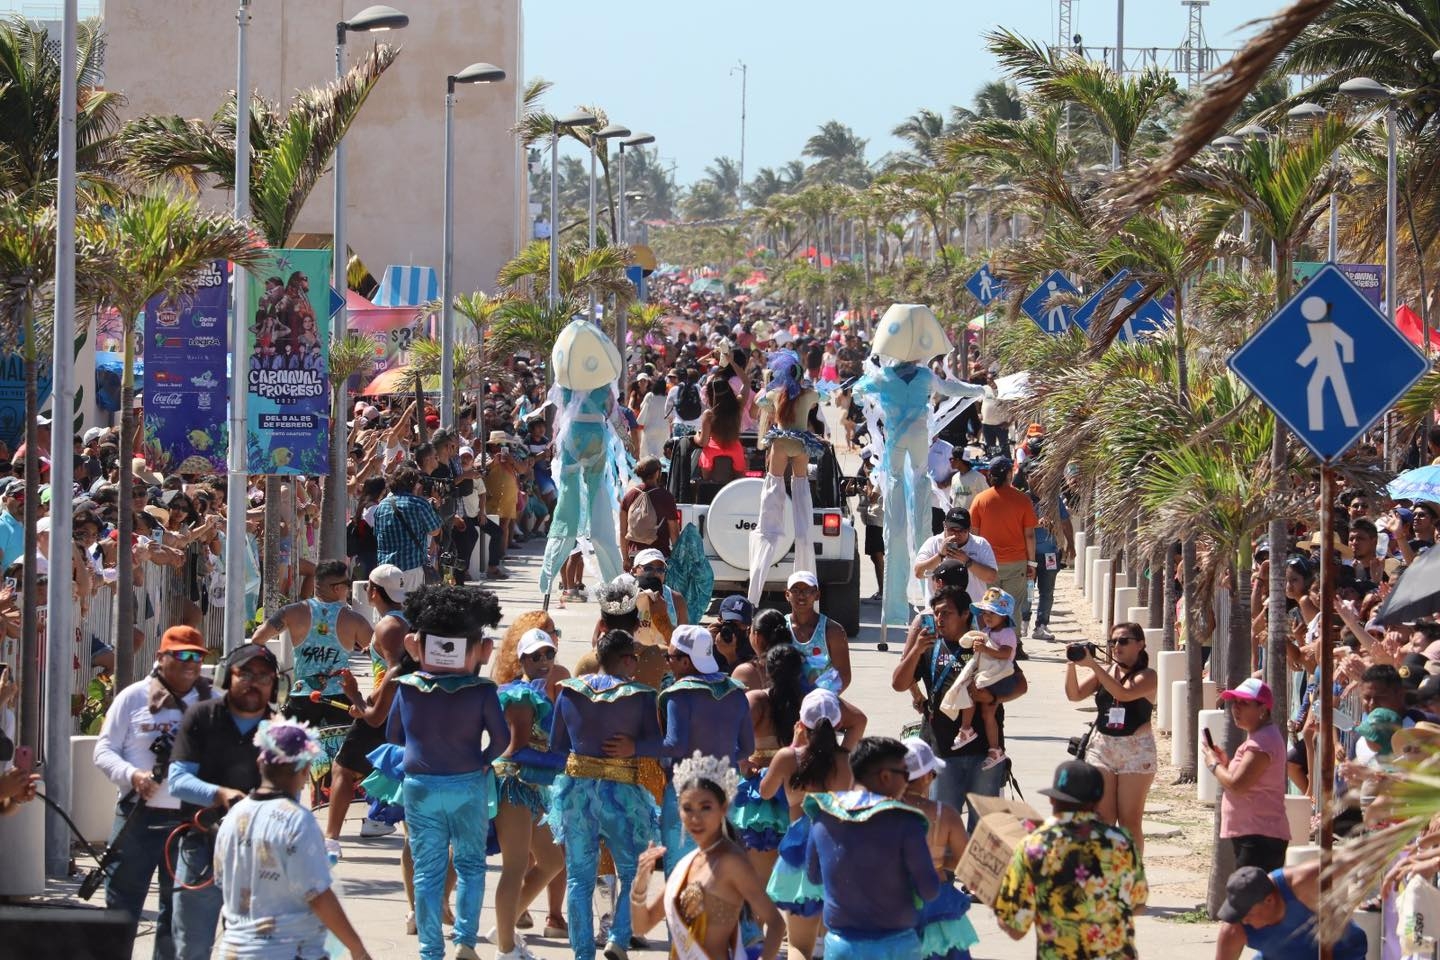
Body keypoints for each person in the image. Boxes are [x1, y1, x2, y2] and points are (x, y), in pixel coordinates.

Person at [386, 585, 509, 960]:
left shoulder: (407, 688)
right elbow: (502, 739)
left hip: (420, 786)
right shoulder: (482, 691)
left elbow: (393, 736)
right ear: (478, 650)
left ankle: (429, 951)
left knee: (427, 869)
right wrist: (483, 759)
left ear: (417, 646)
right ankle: (465, 942)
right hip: (468, 782)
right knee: (471, 865)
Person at [93, 625, 214, 960]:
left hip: (193, 824)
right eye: (182, 655)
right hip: (138, 819)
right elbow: (103, 751)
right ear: (161, 657)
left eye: (197, 656)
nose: (191, 663)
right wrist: (133, 776)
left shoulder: (215, 702)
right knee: (121, 910)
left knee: (178, 914)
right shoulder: (132, 697)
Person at [212, 718, 372, 960]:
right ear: (305, 769)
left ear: (259, 763)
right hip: (289, 951)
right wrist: (357, 949)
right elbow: (318, 896)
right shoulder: (297, 820)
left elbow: (222, 883)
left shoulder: (232, 817)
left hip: (234, 950)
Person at [547, 629, 663, 960]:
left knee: (579, 877)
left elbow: (557, 746)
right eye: (635, 659)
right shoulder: (640, 695)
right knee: (633, 872)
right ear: (627, 660)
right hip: (621, 794)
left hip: (577, 793)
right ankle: (618, 937)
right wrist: (634, 746)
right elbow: (656, 745)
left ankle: (582, 954)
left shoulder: (568, 692)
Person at [166, 643, 280, 960]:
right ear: (227, 676)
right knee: (192, 947)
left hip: (258, 854)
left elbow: (291, 800)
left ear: (274, 685)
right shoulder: (201, 716)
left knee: (250, 951)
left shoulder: (280, 731)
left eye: (263, 676)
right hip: (201, 844)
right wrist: (220, 794)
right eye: (245, 673)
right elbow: (178, 780)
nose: (254, 682)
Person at [891, 586, 1027, 830]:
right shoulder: (929, 647)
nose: (940, 619)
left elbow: (1021, 685)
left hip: (985, 753)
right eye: (937, 614)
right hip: (942, 752)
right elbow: (898, 684)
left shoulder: (984, 642)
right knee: (942, 829)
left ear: (965, 614)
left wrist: (993, 698)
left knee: (983, 831)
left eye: (947, 613)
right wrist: (915, 650)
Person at [629, 753, 785, 960]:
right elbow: (642, 925)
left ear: (723, 809)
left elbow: (776, 924)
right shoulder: (685, 865)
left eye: (705, 807)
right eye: (687, 809)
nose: (695, 818)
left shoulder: (731, 862)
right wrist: (640, 886)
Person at [994, 760, 1148, 959]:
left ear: (1052, 800)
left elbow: (1015, 929)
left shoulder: (1033, 847)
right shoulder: (1121, 843)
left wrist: (996, 896)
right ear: (1098, 801)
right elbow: (1137, 904)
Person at [805, 737, 941, 960]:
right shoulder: (905, 822)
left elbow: (813, 876)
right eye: (905, 774)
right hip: (896, 948)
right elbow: (929, 890)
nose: (907, 782)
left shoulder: (823, 813)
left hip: (841, 947)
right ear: (885, 776)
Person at [762, 688, 861, 960]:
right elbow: (860, 720)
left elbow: (765, 791)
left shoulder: (788, 758)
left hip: (801, 852)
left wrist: (793, 745)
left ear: (802, 723)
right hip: (840, 851)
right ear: (838, 724)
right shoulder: (849, 760)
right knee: (832, 944)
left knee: (798, 946)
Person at [321, 563, 411, 857]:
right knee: (387, 771)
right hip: (390, 707)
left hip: (388, 710)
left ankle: (330, 840)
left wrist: (368, 702)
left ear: (373, 591)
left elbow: (396, 670)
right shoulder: (397, 622)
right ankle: (376, 819)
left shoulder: (389, 626)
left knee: (344, 769)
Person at [491, 624, 568, 960]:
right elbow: (515, 749)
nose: (544, 660)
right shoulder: (522, 696)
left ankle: (503, 927)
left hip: (532, 788)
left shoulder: (540, 692)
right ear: (520, 659)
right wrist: (562, 758)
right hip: (515, 785)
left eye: (549, 653)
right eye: (535, 655)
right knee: (515, 865)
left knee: (551, 860)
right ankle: (506, 949)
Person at [659, 624, 755, 873]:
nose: (667, 663)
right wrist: (718, 762)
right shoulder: (735, 692)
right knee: (719, 870)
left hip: (686, 790)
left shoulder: (680, 695)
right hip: (726, 788)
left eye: (669, 657)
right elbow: (747, 747)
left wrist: (637, 745)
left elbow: (674, 745)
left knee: (682, 870)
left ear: (686, 662)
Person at [1064, 621, 1158, 855]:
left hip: (1135, 751)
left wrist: (1094, 666)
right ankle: (1106, 871)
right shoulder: (1106, 672)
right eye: (1113, 641)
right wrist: (1072, 663)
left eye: (1123, 641)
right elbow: (1074, 695)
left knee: (1129, 820)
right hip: (1102, 747)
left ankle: (1132, 874)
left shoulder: (1148, 675)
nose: (1117, 646)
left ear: (1140, 645)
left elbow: (1124, 694)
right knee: (1103, 818)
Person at [901, 737, 978, 960]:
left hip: (896, 901)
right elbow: (965, 862)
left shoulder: (884, 809)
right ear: (926, 777)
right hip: (937, 900)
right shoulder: (945, 815)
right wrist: (937, 859)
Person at [1205, 679, 1291, 872]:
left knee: (1250, 898)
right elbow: (1248, 779)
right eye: (1234, 702)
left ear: (1263, 709)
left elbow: (1237, 785)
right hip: (1255, 833)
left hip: (1259, 836)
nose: (1236, 708)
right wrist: (1225, 765)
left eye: (1244, 703)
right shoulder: (1260, 737)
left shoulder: (1261, 742)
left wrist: (1214, 765)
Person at [1214, 862, 1367, 960]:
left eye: (1248, 914)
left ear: (1269, 900)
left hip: (1343, 953)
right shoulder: (1234, 930)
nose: (1244, 921)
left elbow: (1355, 857)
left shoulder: (1302, 882)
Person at [943, 588, 1020, 770]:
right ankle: (989, 745)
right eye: (985, 613)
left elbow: (1005, 654)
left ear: (1004, 615)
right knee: (984, 710)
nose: (987, 617)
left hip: (1000, 677)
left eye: (992, 613)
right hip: (989, 675)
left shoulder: (1007, 633)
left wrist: (985, 650)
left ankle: (971, 732)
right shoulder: (986, 631)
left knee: (975, 694)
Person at [968, 457, 1037, 641]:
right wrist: (1032, 563)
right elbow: (1029, 535)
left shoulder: (980, 500)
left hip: (988, 564)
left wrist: (974, 563)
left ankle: (992, 641)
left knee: (990, 605)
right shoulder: (1023, 500)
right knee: (1013, 605)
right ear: (1009, 474)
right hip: (1016, 563)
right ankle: (1014, 642)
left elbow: (974, 534)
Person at [371, 465, 442, 592]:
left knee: (388, 609)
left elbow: (376, 534)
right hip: (411, 569)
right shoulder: (419, 503)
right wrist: (434, 509)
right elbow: (435, 530)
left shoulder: (381, 506)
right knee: (410, 609)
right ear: (413, 484)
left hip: (385, 568)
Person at [913, 507, 998, 606]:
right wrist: (940, 555)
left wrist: (967, 561)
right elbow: (918, 573)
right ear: (944, 525)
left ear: (969, 528)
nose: (956, 534)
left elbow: (991, 577)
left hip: (971, 610)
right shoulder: (933, 543)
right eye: (952, 529)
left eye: (962, 530)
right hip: (939, 611)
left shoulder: (980, 544)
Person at [784, 570, 851, 693]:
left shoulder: (833, 631)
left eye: (808, 591)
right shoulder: (780, 627)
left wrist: (821, 700)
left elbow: (843, 674)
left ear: (817, 595)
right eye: (795, 591)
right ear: (787, 595)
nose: (801, 595)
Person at [620, 457, 680, 562]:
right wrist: (678, 559)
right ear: (657, 473)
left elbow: (623, 533)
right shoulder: (666, 497)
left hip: (634, 556)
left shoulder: (628, 497)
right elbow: (674, 533)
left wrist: (625, 559)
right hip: (659, 555)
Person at [696, 376, 747, 481]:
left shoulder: (709, 414)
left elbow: (703, 442)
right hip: (735, 451)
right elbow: (746, 383)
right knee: (740, 482)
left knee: (705, 482)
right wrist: (732, 362)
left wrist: (696, 436)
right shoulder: (737, 407)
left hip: (712, 452)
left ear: (711, 395)